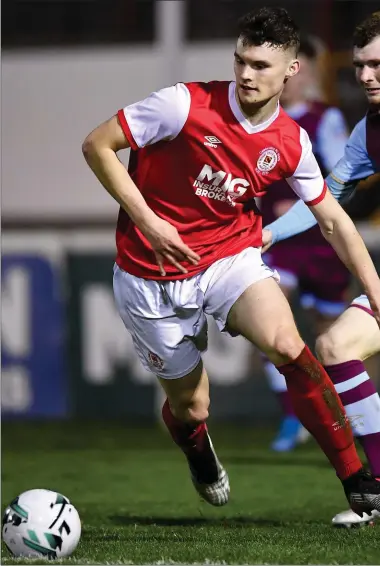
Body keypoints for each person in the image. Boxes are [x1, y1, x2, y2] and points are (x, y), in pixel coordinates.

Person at [82, 6, 380, 517]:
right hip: (147, 275)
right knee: (190, 407)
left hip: (228, 259)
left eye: (261, 65)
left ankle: (359, 482)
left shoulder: (291, 141)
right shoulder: (181, 105)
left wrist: (375, 290)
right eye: (241, 60)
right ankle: (198, 449)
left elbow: (332, 219)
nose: (246, 73)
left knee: (292, 345)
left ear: (291, 70)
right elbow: (97, 145)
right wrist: (150, 223)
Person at [263, 11, 380, 527]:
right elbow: (327, 199)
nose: (367, 76)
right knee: (333, 347)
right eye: (361, 66)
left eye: (378, 64)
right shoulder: (366, 133)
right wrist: (263, 234)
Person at [260, 37, 351, 452]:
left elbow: (344, 178)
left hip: (321, 242)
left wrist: (302, 203)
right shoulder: (261, 121)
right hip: (279, 242)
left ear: (307, 72)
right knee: (266, 316)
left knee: (332, 337)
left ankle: (347, 415)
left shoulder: (325, 119)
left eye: (296, 68)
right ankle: (290, 416)